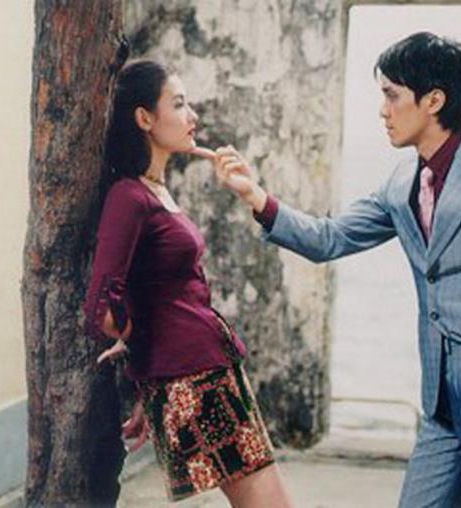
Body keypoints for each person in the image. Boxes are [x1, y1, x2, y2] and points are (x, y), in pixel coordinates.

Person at [195, 32, 461, 507]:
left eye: (392, 95)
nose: (383, 110)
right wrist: (254, 195)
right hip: (440, 401)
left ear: (434, 100)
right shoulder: (401, 184)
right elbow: (328, 238)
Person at [83, 59, 293, 507]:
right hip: (195, 380)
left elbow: (154, 290)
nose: (192, 116)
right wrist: (140, 346)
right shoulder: (128, 196)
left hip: (209, 367)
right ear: (145, 118)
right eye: (178, 104)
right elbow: (102, 305)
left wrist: (144, 349)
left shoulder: (155, 190)